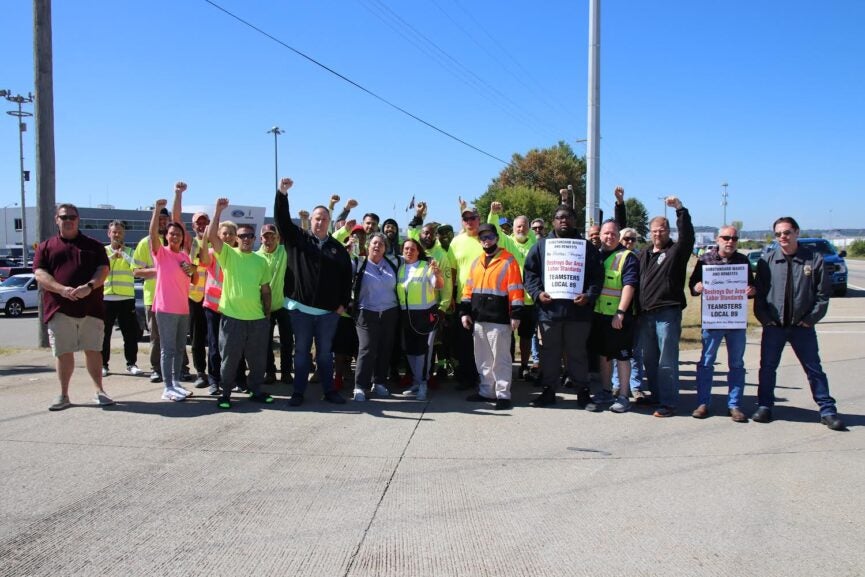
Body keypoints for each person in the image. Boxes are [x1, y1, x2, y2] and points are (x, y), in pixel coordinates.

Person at [752, 217, 845, 430]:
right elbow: (760, 295)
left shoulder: (814, 259)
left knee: (814, 369)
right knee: (767, 368)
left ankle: (827, 410)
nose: (782, 237)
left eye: (787, 232)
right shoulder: (768, 260)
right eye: (778, 234)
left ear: (796, 233)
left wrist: (809, 319)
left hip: (802, 327)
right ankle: (765, 406)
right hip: (774, 326)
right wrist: (766, 320)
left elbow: (823, 294)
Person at [275, 177, 353, 407]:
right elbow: (281, 219)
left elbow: (346, 278)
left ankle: (329, 391)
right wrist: (282, 193)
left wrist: (342, 305)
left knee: (325, 354)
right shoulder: (297, 238)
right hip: (300, 311)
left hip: (328, 314)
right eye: (317, 219)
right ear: (311, 220)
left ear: (329, 222)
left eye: (324, 219)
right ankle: (298, 392)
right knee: (301, 353)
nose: (320, 222)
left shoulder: (338, 249)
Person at [34, 203, 114, 410]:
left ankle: (99, 391)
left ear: (78, 220)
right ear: (56, 220)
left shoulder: (93, 245)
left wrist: (90, 286)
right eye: (63, 217)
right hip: (60, 309)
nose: (68, 220)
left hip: (91, 309)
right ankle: (63, 395)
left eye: (72, 217)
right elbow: (40, 274)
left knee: (94, 350)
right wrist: (61, 289)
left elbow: (103, 269)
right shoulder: (45, 247)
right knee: (63, 352)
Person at [524, 204, 603, 408]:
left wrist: (589, 295)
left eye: (568, 217)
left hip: (578, 313)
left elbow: (597, 276)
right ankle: (549, 391)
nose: (564, 220)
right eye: (559, 217)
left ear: (575, 221)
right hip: (549, 312)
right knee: (549, 354)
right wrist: (537, 293)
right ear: (553, 221)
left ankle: (583, 393)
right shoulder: (541, 246)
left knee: (577, 353)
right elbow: (530, 274)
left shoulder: (586, 247)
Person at [206, 198, 274, 409]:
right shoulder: (228, 254)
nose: (245, 239)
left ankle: (256, 390)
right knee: (230, 359)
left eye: (249, 236)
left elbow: (265, 289)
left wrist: (267, 313)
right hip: (233, 318)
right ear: (236, 238)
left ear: (254, 239)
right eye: (242, 236)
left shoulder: (261, 261)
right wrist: (218, 211)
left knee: (257, 360)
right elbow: (210, 236)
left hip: (257, 319)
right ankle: (225, 394)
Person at [688, 226, 755, 421]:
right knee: (707, 362)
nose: (730, 241)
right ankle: (703, 403)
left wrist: (752, 291)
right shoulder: (705, 259)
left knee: (736, 364)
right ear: (718, 239)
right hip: (713, 320)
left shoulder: (743, 261)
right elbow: (692, 285)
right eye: (726, 237)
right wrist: (697, 287)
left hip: (735, 320)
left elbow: (752, 287)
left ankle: (734, 405)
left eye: (734, 238)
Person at [637, 196, 695, 418]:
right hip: (646, 314)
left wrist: (680, 210)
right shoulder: (644, 253)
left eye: (661, 230)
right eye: (653, 231)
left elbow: (687, 236)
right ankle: (657, 395)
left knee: (666, 360)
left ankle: (669, 402)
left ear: (668, 231)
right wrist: (620, 206)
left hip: (667, 313)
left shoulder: (675, 252)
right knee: (650, 359)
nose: (657, 234)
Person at [460, 224, 524, 410]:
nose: (486, 240)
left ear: (496, 238)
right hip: (479, 319)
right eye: (483, 238)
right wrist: (464, 312)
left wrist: (516, 314)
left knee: (501, 358)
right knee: (483, 359)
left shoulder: (508, 260)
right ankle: (487, 391)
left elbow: (516, 289)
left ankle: (503, 395)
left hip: (499, 319)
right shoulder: (476, 262)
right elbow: (468, 289)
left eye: (489, 237)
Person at [587, 219, 639, 413]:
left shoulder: (627, 257)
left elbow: (629, 285)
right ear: (599, 235)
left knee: (622, 357)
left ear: (619, 237)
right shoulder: (596, 255)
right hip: (599, 315)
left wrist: (621, 312)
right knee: (604, 356)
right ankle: (606, 391)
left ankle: (624, 396)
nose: (609, 237)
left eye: (613, 234)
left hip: (618, 317)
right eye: (606, 233)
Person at [133, 183, 183, 383]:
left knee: (178, 339)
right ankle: (156, 369)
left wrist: (177, 195)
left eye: (165, 219)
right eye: (159, 219)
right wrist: (159, 271)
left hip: (177, 298)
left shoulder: (176, 241)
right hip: (154, 298)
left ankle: (181, 369)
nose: (163, 222)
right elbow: (136, 271)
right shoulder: (147, 243)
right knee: (157, 337)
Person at [148, 199, 197, 402]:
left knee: (179, 349)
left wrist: (192, 270)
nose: (175, 236)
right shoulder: (162, 253)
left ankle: (176, 383)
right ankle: (167, 386)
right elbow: (152, 234)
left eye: (178, 234)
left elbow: (194, 280)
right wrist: (157, 210)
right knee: (167, 349)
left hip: (183, 309)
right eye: (171, 234)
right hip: (165, 309)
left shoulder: (185, 257)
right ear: (166, 236)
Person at [350, 232, 400, 401]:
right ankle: (360, 386)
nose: (377, 246)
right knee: (367, 348)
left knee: (385, 348)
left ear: (385, 248)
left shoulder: (393, 264)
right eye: (374, 243)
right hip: (366, 311)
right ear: (367, 246)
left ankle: (379, 382)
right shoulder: (358, 264)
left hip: (389, 312)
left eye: (381, 244)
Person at [398, 238, 444, 401]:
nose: (409, 251)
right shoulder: (400, 269)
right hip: (407, 316)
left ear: (418, 251)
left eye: (412, 249)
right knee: (410, 352)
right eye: (406, 249)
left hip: (425, 316)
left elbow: (438, 285)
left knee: (424, 352)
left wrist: (438, 275)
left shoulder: (426, 267)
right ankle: (417, 383)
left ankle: (423, 384)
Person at [101, 220, 144, 377]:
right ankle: (103, 365)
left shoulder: (131, 252)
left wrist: (124, 255)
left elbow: (138, 268)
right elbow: (101, 268)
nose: (117, 235)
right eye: (114, 232)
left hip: (126, 298)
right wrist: (113, 256)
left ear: (124, 233)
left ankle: (131, 364)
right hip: (106, 298)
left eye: (119, 232)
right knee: (104, 335)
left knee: (130, 334)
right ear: (109, 233)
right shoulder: (103, 251)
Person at [199, 220, 237, 395]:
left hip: (232, 307)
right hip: (213, 307)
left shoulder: (239, 255)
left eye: (230, 233)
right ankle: (214, 381)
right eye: (224, 233)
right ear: (218, 236)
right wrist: (207, 236)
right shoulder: (213, 253)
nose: (227, 236)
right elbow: (203, 259)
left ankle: (235, 379)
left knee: (232, 346)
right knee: (214, 346)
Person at [612, 227, 646, 398]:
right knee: (617, 350)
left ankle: (636, 386)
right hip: (616, 310)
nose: (629, 242)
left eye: (633, 239)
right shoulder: (616, 257)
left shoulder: (640, 257)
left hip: (635, 311)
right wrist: (619, 204)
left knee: (635, 352)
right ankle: (617, 384)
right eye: (626, 239)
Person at [257, 223, 293, 385]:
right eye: (266, 236)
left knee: (287, 341)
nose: (269, 240)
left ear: (278, 238)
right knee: (265, 342)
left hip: (284, 305)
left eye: (273, 236)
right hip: (263, 306)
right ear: (261, 238)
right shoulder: (256, 257)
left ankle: (286, 372)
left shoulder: (285, 251)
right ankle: (269, 372)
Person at [186, 211, 210, 388]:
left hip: (216, 298)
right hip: (195, 297)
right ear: (193, 226)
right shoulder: (189, 244)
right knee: (197, 338)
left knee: (218, 340)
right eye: (198, 223)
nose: (201, 225)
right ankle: (201, 372)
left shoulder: (217, 242)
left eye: (205, 222)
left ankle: (219, 373)